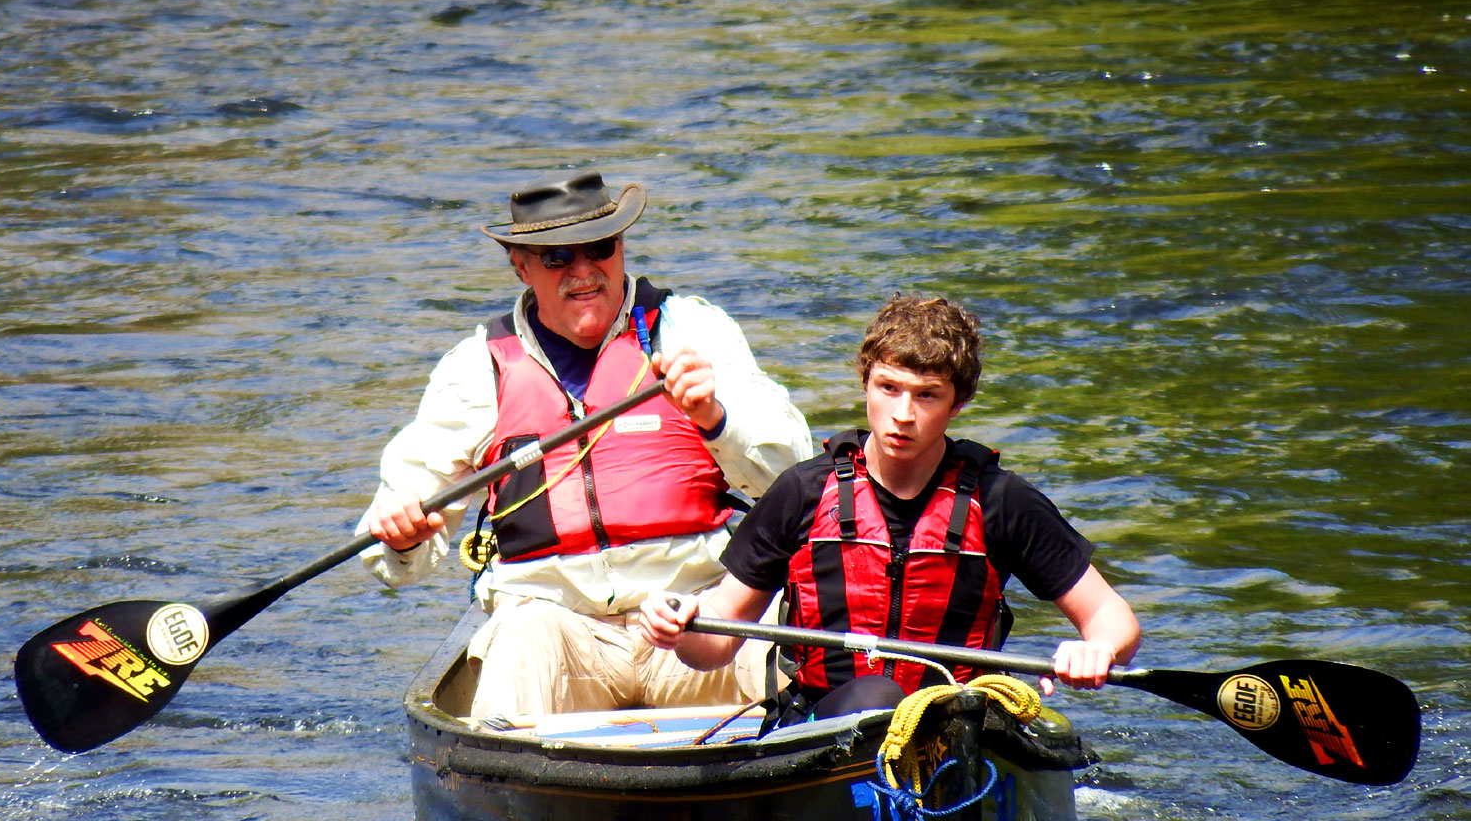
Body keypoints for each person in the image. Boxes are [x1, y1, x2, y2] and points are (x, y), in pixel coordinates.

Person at [359, 169, 813, 719]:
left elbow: (796, 481)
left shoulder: (693, 331)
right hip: (557, 631)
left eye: (599, 248)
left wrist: (716, 418)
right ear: (520, 264)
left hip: (694, 618)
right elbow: (390, 561)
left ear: (621, 246)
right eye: (556, 257)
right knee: (523, 631)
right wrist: (401, 537)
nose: (584, 272)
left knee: (782, 653)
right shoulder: (475, 369)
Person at [638, 293, 1141, 723]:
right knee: (880, 699)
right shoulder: (803, 493)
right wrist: (680, 626)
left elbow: (1112, 618)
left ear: (957, 403)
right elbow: (717, 638)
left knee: (913, 710)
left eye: (927, 396)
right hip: (826, 724)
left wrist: (1097, 648)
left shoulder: (1000, 502)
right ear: (865, 382)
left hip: (957, 721)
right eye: (889, 387)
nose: (903, 415)